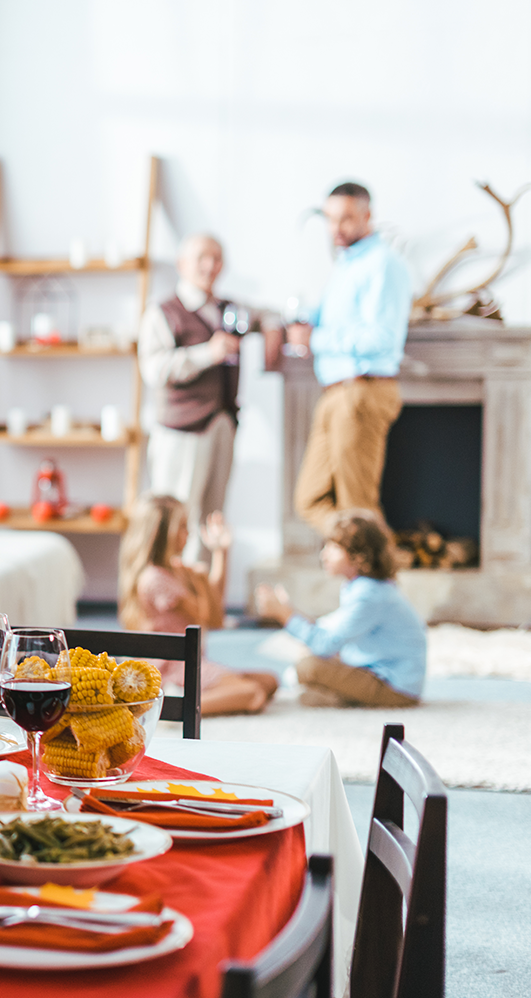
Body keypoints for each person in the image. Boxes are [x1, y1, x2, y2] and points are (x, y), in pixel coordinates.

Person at [139, 233, 282, 562]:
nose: (210, 265)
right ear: (182, 264)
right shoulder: (163, 312)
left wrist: (273, 328)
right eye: (202, 257)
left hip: (223, 423)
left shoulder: (231, 308)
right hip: (181, 430)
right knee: (176, 518)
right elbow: (154, 369)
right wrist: (207, 354)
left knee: (212, 520)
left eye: (217, 258)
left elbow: (270, 315)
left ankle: (203, 601)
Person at [286, 182, 413, 532]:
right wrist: (310, 320)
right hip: (335, 392)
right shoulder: (347, 265)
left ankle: (375, 574)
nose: (335, 229)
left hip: (362, 392)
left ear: (367, 216)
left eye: (345, 219)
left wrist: (317, 338)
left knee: (358, 508)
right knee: (309, 500)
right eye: (329, 219)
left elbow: (382, 337)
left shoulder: (383, 264)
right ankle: (361, 552)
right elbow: (345, 321)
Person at [118, 495, 279, 715]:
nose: (189, 533)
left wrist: (221, 552)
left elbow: (213, 601)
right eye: (183, 526)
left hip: (192, 662)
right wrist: (201, 579)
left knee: (269, 681)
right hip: (172, 668)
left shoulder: (176, 569)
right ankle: (172, 708)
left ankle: (185, 698)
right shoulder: (155, 580)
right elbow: (214, 619)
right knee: (253, 694)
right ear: (162, 533)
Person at [255, 510, 425, 708]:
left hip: (395, 687)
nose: (323, 554)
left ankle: (339, 698)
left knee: (307, 667)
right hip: (381, 673)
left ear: (359, 556)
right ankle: (337, 696)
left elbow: (325, 644)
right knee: (310, 655)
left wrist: (284, 615)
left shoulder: (368, 595)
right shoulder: (360, 587)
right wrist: (289, 610)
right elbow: (327, 629)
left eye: (333, 547)